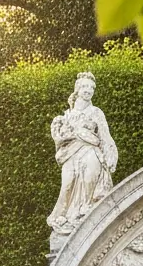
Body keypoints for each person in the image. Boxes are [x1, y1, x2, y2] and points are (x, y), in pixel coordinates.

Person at [48, 71, 118, 242]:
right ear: (77, 89)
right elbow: (59, 140)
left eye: (92, 87)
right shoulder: (66, 116)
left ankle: (86, 214)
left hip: (90, 151)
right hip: (70, 154)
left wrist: (111, 155)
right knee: (67, 184)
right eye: (85, 86)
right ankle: (65, 217)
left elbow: (105, 136)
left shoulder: (96, 112)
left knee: (89, 181)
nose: (89, 90)